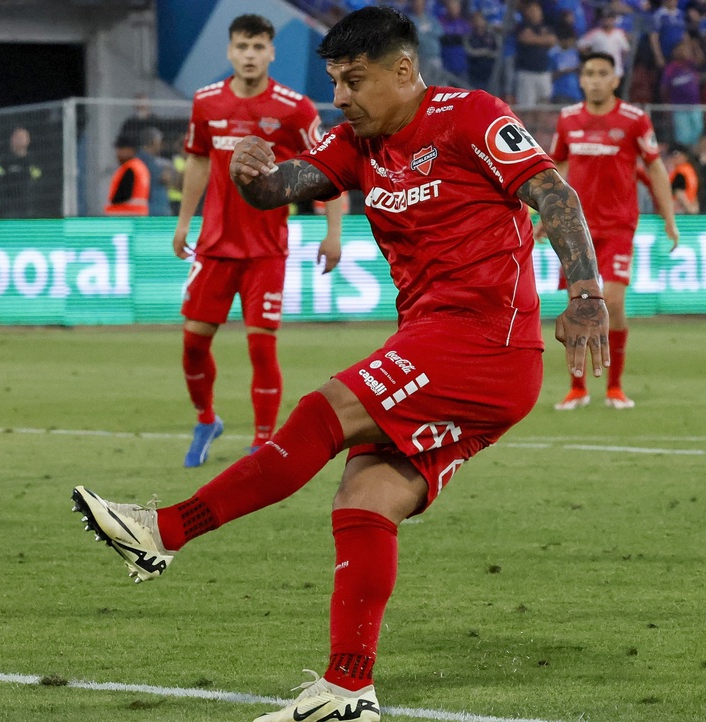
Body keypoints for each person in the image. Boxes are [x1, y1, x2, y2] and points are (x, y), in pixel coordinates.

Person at [73, 7, 609, 722]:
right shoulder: (358, 142)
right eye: (333, 81)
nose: (340, 97)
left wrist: (585, 294)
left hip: (484, 342)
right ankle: (348, 689)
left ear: (403, 70)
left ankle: (163, 531)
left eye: (353, 81)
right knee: (365, 497)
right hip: (439, 343)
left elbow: (552, 191)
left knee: (321, 413)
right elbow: (282, 188)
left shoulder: (469, 115)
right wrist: (250, 174)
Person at [174, 13, 342, 468]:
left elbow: (329, 168)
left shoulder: (294, 109)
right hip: (214, 246)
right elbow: (197, 161)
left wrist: (333, 233)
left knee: (260, 347)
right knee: (192, 345)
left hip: (266, 249)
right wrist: (183, 222)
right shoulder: (206, 102)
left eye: (258, 47)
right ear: (230, 51)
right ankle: (206, 420)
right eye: (242, 47)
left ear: (271, 52)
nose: (249, 55)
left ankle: (262, 443)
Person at [547, 51, 678, 410]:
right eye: (589, 73)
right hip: (575, 227)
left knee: (614, 302)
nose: (595, 80)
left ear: (615, 80)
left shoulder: (634, 119)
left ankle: (615, 386)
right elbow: (557, 165)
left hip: (618, 225)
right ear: (581, 79)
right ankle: (577, 388)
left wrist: (668, 216)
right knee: (578, 306)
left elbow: (654, 167)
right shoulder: (568, 118)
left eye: (602, 73)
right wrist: (548, 213)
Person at [0, 126, 46, 219]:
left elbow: (37, 183)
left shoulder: (33, 162)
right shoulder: (2, 160)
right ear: (11, 140)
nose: (20, 140)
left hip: (27, 209)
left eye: (22, 137)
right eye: (17, 137)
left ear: (28, 140)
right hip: (5, 208)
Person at [515, 1, 557, 107]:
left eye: (537, 10)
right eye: (531, 10)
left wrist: (534, 38)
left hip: (544, 72)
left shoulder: (546, 27)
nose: (534, 13)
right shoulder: (522, 26)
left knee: (544, 105)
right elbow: (525, 38)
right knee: (527, 107)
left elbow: (552, 40)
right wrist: (543, 39)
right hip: (527, 72)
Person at [104, 133, 150, 215]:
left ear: (130, 150)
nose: (117, 154)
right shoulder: (140, 167)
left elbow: (122, 196)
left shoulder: (130, 168)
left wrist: (113, 202)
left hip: (124, 215)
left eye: (120, 149)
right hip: (137, 215)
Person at [138, 126, 173, 217]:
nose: (161, 145)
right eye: (159, 142)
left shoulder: (141, 159)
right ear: (154, 142)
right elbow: (166, 178)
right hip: (154, 210)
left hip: (152, 209)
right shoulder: (148, 162)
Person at [668, 145, 699, 213]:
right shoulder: (690, 170)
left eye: (677, 155)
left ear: (685, 156)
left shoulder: (680, 171)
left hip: (680, 208)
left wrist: (689, 208)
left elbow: (679, 192)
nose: (674, 158)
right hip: (686, 206)